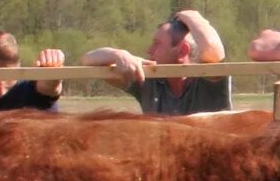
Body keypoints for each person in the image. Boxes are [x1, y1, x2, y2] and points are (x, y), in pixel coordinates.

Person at [86, 10, 232, 116]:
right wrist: (118, 54)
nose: (149, 50)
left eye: (157, 44)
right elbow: (88, 60)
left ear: (182, 52)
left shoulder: (210, 81)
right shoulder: (148, 81)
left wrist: (191, 16)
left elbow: (214, 51)